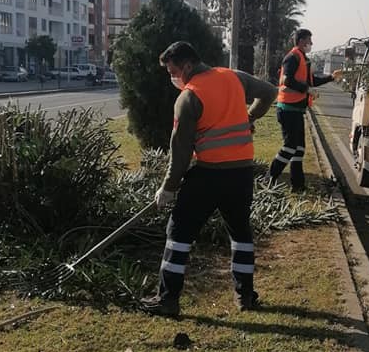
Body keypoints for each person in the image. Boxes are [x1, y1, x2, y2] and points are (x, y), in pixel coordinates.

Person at [142, 41, 277, 318]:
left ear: (188, 65)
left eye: (173, 71)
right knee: (240, 234)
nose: (173, 77)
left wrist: (168, 188)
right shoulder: (233, 77)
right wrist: (250, 117)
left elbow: (179, 154)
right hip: (241, 174)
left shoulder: (189, 98)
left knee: (178, 234)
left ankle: (168, 300)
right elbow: (270, 92)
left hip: (208, 175)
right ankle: (245, 296)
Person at [269, 28, 342, 191]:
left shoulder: (303, 59)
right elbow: (287, 80)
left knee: (299, 149)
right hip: (287, 109)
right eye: (309, 40)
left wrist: (331, 77)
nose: (311, 44)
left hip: (296, 110)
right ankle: (270, 177)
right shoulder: (293, 57)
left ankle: (298, 185)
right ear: (301, 41)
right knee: (290, 147)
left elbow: (311, 81)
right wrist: (306, 90)